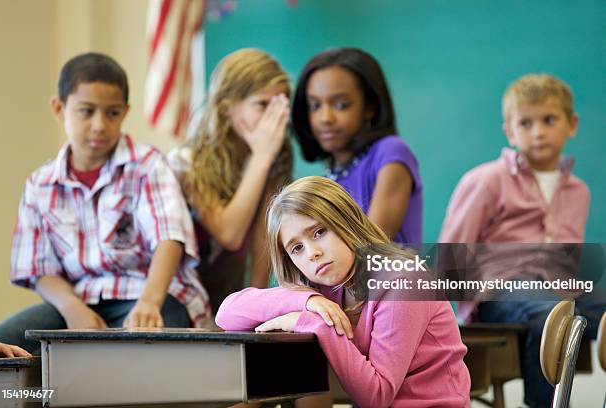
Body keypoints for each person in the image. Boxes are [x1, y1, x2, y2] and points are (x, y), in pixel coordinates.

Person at [0, 53, 208, 353]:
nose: (99, 125)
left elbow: (169, 238)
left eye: (112, 113)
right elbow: (40, 269)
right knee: (2, 341)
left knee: (155, 339)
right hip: (78, 300)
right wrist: (70, 307)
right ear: (59, 108)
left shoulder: (147, 165)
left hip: (149, 293)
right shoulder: (39, 184)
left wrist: (150, 301)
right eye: (86, 111)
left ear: (125, 113)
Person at [216, 176, 470, 408]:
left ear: (346, 221)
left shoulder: (402, 281)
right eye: (296, 248)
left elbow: (377, 396)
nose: (312, 252)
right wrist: (306, 300)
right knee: (263, 379)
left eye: (319, 232)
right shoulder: (324, 290)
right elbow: (226, 314)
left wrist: (314, 323)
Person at [440, 73, 606, 408]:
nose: (538, 132)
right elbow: (452, 253)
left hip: (560, 289)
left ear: (571, 125)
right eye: (526, 123)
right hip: (500, 293)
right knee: (549, 312)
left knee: (569, 305)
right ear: (510, 132)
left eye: (549, 120)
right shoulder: (486, 181)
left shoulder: (579, 192)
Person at [168, 48, 292, 313]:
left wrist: (255, 304)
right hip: (182, 303)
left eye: (280, 105)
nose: (276, 117)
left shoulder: (270, 159)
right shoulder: (186, 162)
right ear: (226, 108)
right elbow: (230, 235)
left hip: (228, 301)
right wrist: (260, 158)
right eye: (262, 105)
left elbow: (264, 241)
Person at [291, 48, 422, 245]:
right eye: (315, 106)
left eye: (341, 105)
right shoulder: (330, 178)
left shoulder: (391, 152)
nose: (325, 118)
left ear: (369, 106)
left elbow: (370, 246)